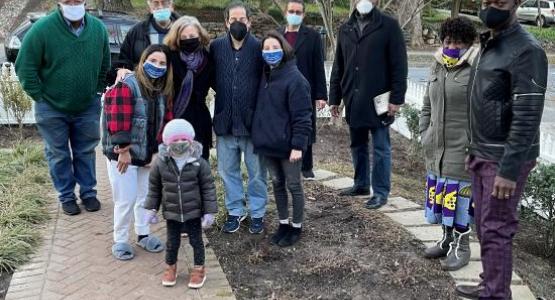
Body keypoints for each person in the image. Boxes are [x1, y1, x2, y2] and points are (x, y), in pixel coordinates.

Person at [455, 1, 547, 299]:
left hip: (504, 158)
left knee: (496, 228)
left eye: (499, 1)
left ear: (516, 3)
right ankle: (489, 283)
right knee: (484, 226)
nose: (490, 6)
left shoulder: (527, 50)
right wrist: (473, 147)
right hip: (483, 151)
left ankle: (496, 294)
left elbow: (528, 115)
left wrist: (508, 170)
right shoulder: (491, 42)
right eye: (485, 1)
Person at [15, 0, 110, 215]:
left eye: (78, 0)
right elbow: (25, 66)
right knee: (58, 153)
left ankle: (88, 193)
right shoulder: (42, 29)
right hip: (50, 106)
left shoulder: (97, 29)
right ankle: (66, 196)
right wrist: (39, 95)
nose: (73, 3)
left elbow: (105, 63)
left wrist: (96, 91)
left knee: (85, 151)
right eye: (68, 0)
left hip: (87, 105)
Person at [328, 0, 407, 209]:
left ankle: (380, 192)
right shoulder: (345, 29)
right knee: (357, 144)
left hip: (379, 99)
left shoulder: (389, 26)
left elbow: (399, 64)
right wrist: (334, 98)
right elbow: (339, 65)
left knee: (381, 147)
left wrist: (397, 98)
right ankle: (361, 184)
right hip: (353, 97)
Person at [102, 44, 173, 260]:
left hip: (147, 155)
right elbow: (118, 120)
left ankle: (143, 234)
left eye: (162, 63)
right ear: (143, 61)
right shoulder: (128, 85)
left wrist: (157, 152)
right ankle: (121, 239)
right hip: (123, 155)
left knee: (145, 197)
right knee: (126, 199)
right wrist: (123, 151)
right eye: (153, 61)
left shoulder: (161, 90)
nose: (157, 66)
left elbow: (163, 124)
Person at [419, 17, 478, 272]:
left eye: (457, 41)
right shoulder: (437, 66)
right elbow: (426, 105)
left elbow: (483, 113)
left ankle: (461, 248)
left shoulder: (476, 69)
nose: (451, 45)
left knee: (461, 202)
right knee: (444, 198)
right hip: (436, 147)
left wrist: (474, 145)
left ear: (468, 44)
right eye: (447, 40)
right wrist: (425, 132)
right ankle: (446, 240)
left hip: (461, 149)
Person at [209, 1, 267, 234]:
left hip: (253, 123)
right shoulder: (216, 47)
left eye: (242, 19)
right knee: (228, 171)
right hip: (225, 120)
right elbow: (211, 77)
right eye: (233, 20)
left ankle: (257, 213)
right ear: (226, 22)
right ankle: (235, 211)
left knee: (257, 173)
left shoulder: (260, 48)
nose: (238, 23)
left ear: (249, 22)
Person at [252, 31, 312, 247]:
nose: (270, 53)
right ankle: (283, 223)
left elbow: (303, 116)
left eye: (274, 48)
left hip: (289, 146)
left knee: (294, 186)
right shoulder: (265, 75)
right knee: (277, 184)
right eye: (266, 49)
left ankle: (297, 227)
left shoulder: (295, 78)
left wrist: (298, 145)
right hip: (269, 144)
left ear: (284, 49)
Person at [144, 119, 217, 289]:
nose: (179, 144)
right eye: (175, 140)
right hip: (172, 212)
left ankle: (199, 269)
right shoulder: (161, 163)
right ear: (168, 142)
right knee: (172, 242)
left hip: (193, 212)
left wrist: (209, 212)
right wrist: (151, 208)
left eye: (183, 139)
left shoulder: (199, 163)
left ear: (190, 140)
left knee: (196, 242)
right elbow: (154, 188)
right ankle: (171, 267)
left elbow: (208, 188)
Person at [278, 0, 327, 180]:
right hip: (281, 88)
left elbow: (318, 66)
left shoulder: (312, 36)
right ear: (285, 13)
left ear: (303, 15)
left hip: (305, 89)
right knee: (283, 125)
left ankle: (306, 166)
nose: (295, 14)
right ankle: (284, 162)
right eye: (292, 11)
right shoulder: (276, 35)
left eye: (298, 12)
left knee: (305, 125)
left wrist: (321, 95)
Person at [164, 16, 213, 161]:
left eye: (192, 36)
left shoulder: (208, 59)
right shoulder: (170, 57)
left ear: (200, 35)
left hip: (200, 119)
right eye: (183, 37)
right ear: (177, 38)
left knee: (200, 166)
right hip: (175, 117)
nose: (188, 39)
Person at [115, 0, 179, 82]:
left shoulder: (182, 32)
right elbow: (123, 61)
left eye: (164, 2)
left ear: (172, 6)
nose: (160, 7)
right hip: (141, 88)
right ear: (150, 8)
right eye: (156, 3)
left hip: (174, 89)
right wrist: (121, 70)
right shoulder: (137, 31)